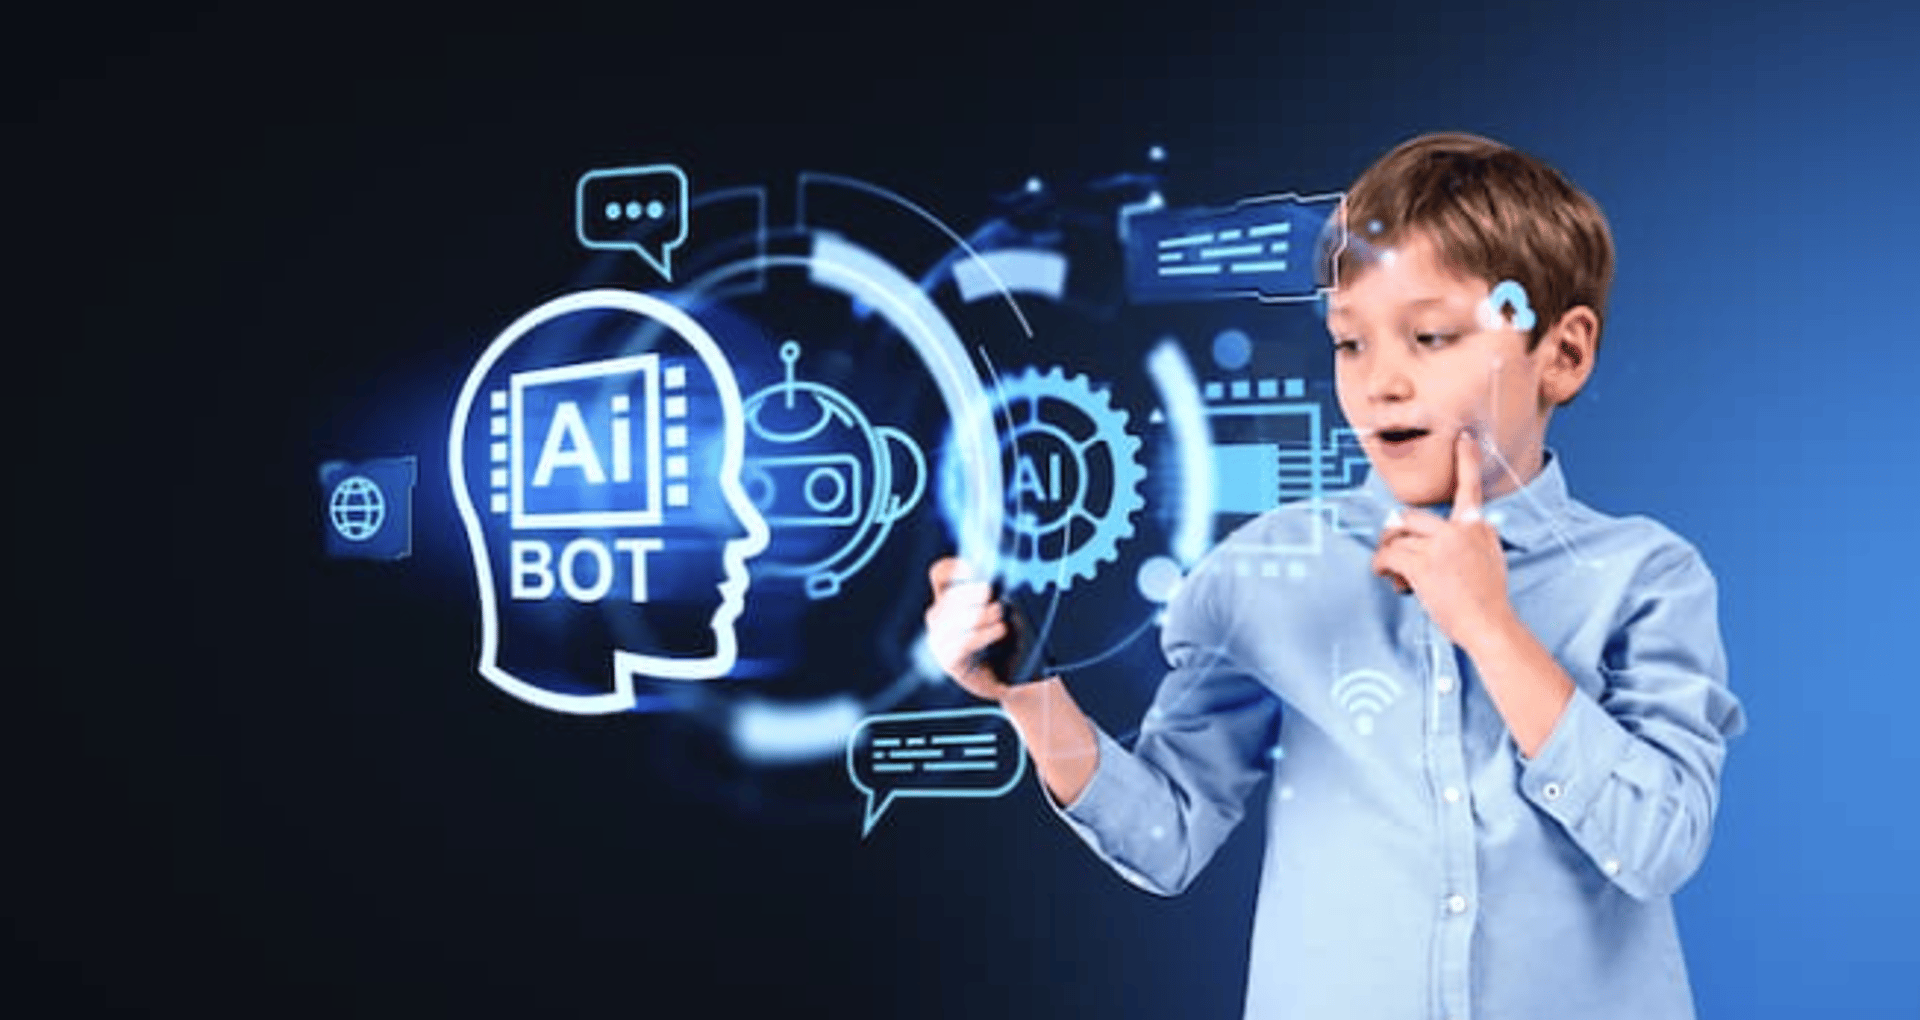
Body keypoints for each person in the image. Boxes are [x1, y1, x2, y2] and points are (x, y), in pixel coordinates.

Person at [924, 131, 1747, 1020]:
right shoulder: (1266, 576)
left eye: (1430, 335)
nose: (1379, 383)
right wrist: (1028, 691)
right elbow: (1168, 837)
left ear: (1564, 353)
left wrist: (1490, 628)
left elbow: (1659, 846)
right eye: (1350, 344)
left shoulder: (1643, 577)